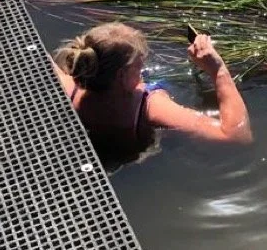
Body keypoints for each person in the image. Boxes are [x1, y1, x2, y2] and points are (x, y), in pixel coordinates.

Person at [52, 22, 253, 160]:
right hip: (139, 155)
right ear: (122, 76)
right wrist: (218, 71)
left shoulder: (68, 87)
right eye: (139, 66)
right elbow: (236, 137)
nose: (143, 66)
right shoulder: (150, 106)